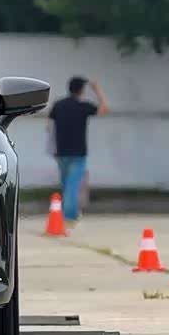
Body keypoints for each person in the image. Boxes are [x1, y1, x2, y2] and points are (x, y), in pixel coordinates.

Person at [47, 76, 109, 225]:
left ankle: (71, 213)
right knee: (73, 185)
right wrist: (98, 91)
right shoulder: (83, 106)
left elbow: (48, 126)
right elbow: (104, 109)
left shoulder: (59, 104)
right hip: (78, 152)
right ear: (82, 90)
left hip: (61, 151)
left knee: (66, 184)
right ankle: (69, 216)